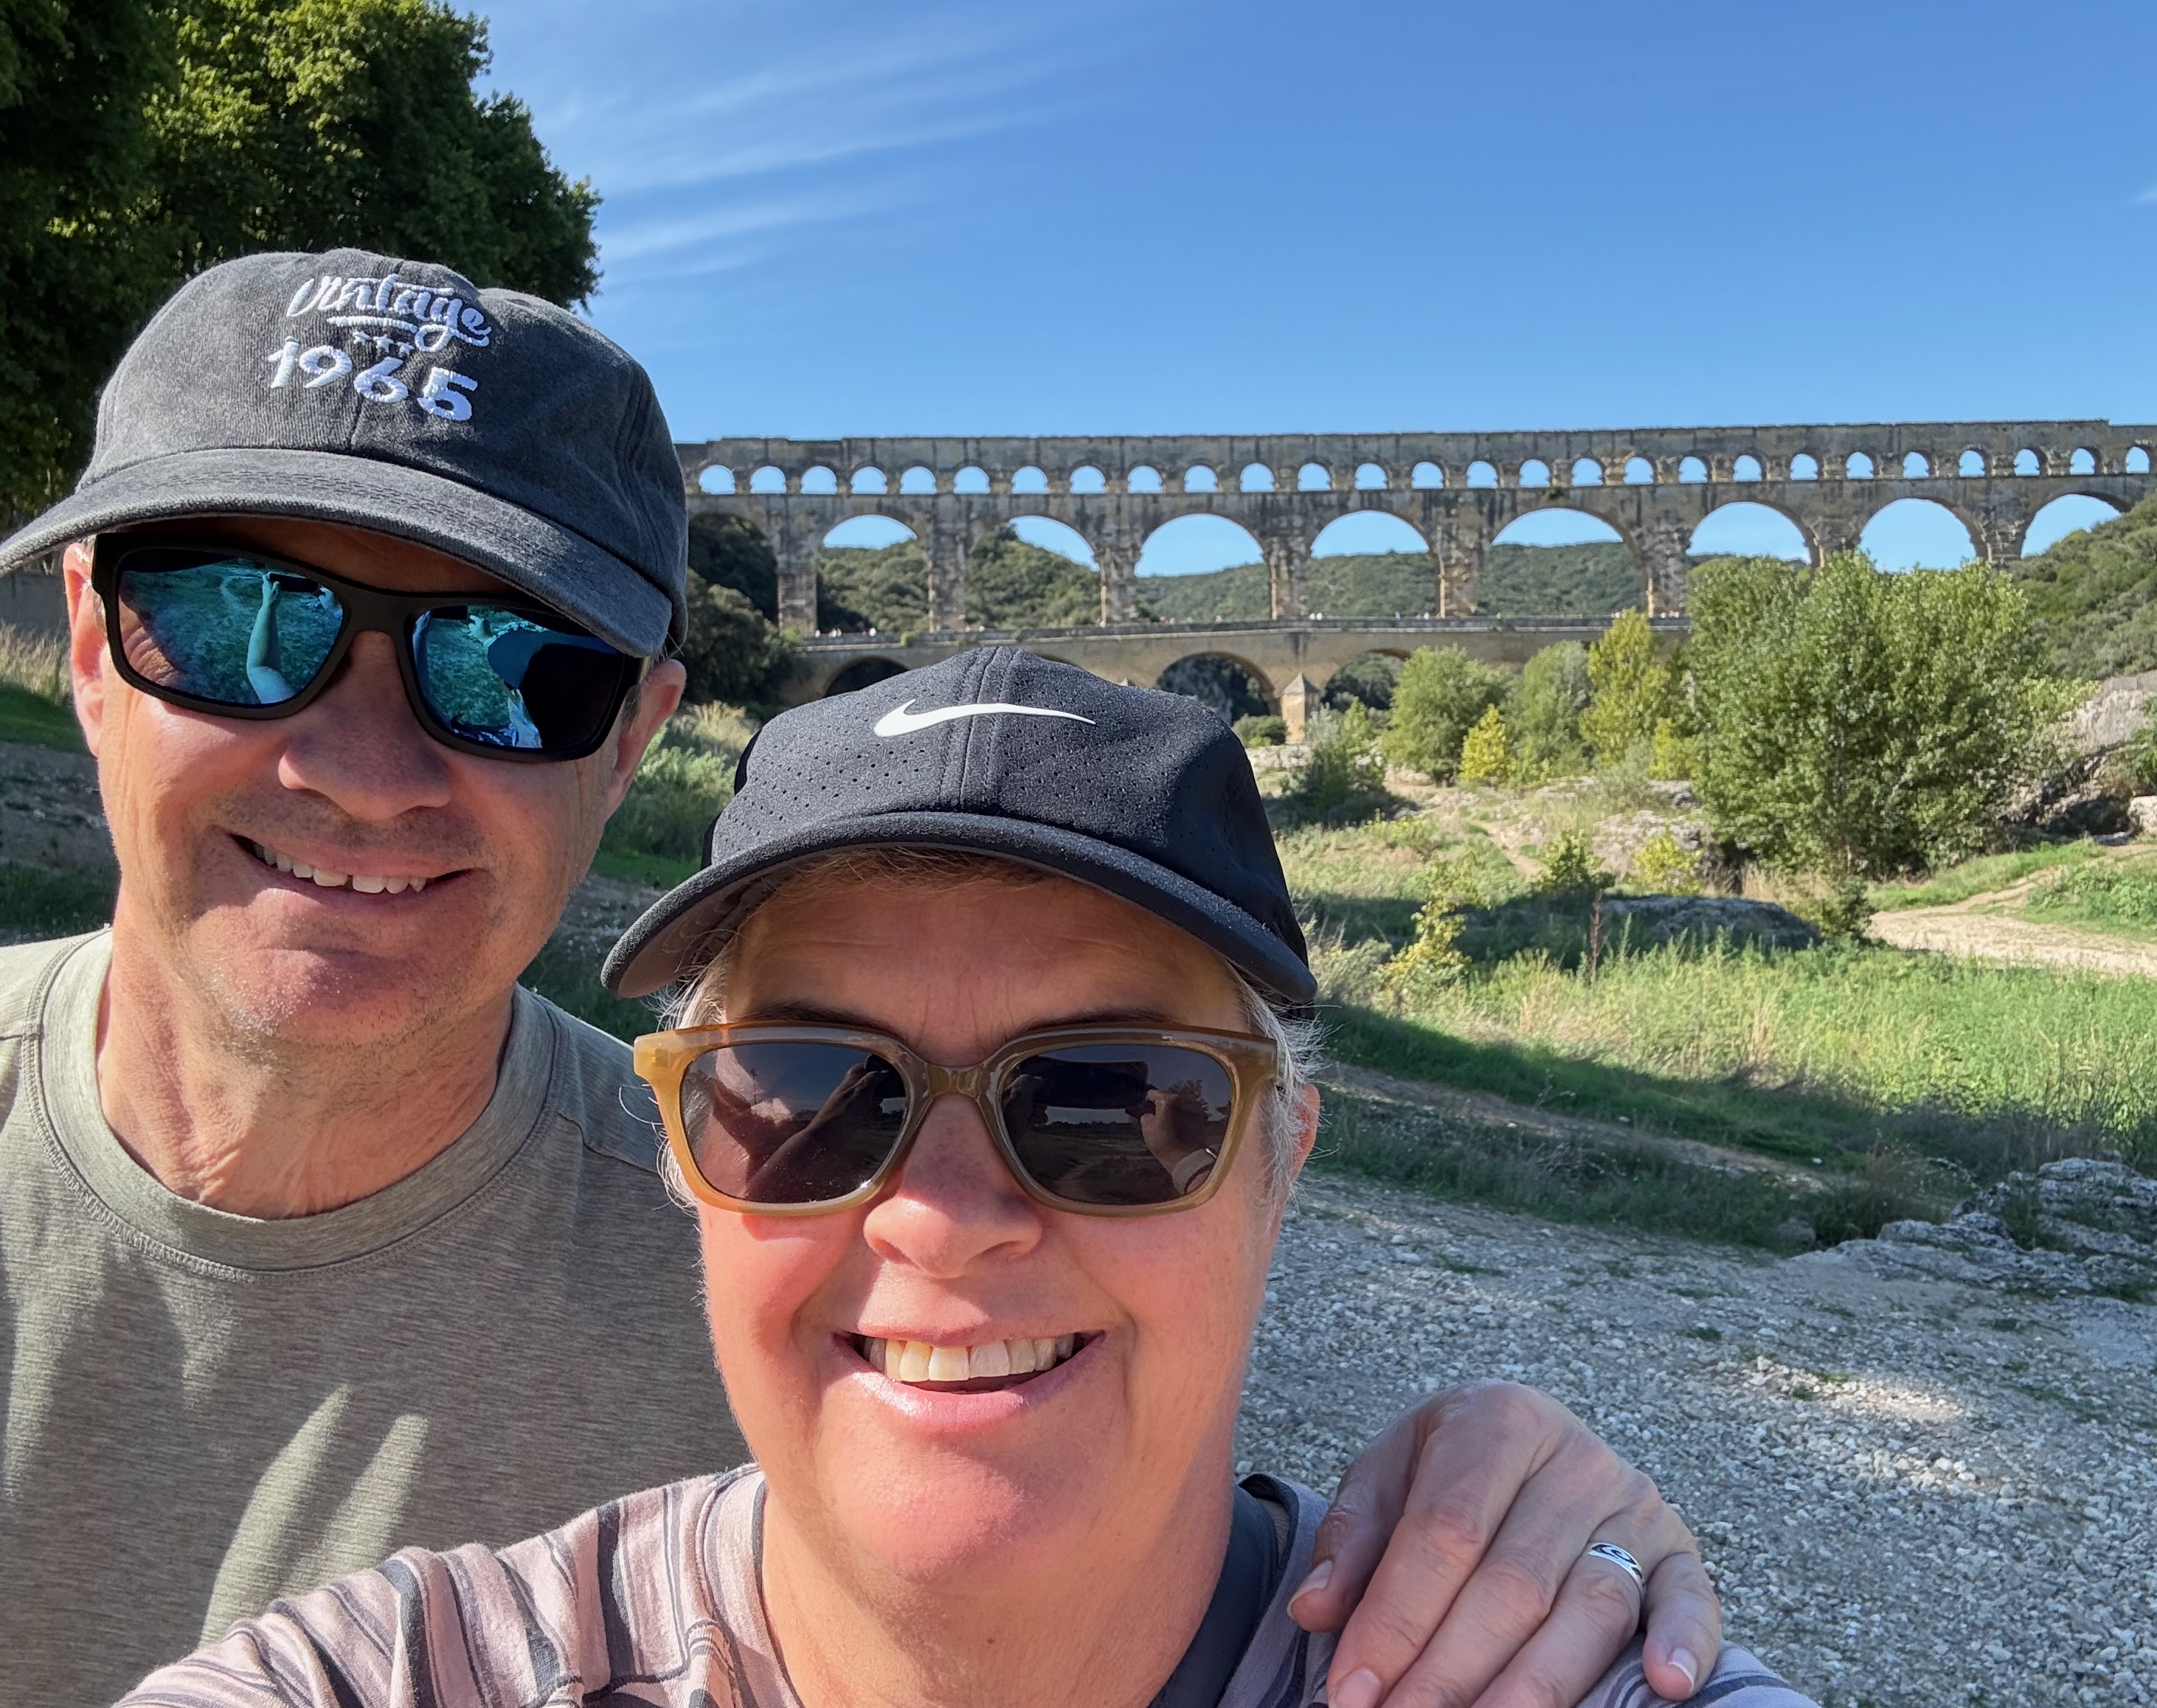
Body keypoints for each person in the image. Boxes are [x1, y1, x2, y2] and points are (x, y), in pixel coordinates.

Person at [0, 249, 1718, 1706]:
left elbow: (1153, 1510)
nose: (938, 1215)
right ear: (86, 645)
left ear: (634, 742)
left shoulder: (761, 1242)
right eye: (234, 621)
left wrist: (1509, 1503)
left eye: (516, 670)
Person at [125, 651, 1811, 1708]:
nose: (941, 1213)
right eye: (803, 1094)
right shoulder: (384, 1678)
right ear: (684, 1149)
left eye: (1105, 1101)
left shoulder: (1530, 1672)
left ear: (1281, 1159)